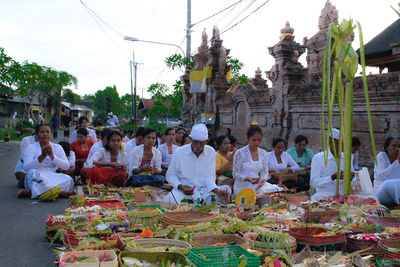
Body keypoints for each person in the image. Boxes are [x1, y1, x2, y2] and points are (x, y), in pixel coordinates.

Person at [166, 124, 231, 204]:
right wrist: (181, 187)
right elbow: (170, 175)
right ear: (190, 139)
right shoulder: (180, 151)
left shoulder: (211, 151)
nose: (198, 146)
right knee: (170, 199)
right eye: (195, 142)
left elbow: (209, 177)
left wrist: (217, 191)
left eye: (201, 143)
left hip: (204, 191)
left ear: (207, 141)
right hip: (183, 192)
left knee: (226, 190)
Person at [17, 124, 75, 199]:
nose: (45, 134)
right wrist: (41, 157)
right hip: (37, 173)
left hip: (52, 174)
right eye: (42, 132)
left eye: (47, 132)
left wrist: (53, 157)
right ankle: (59, 192)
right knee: (32, 174)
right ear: (37, 134)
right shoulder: (31, 148)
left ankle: (33, 193)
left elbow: (66, 166)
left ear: (51, 134)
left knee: (68, 179)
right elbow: (26, 168)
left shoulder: (57, 147)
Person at [232, 124, 282, 196]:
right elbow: (235, 174)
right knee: (255, 195)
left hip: (258, 185)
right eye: (254, 140)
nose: (256, 143)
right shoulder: (240, 153)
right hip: (242, 187)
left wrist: (263, 179)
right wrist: (247, 179)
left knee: (277, 189)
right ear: (248, 139)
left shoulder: (263, 153)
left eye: (259, 140)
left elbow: (264, 171)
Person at [310, 128, 356, 200]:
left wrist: (352, 178)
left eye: (341, 143)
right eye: (337, 143)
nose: (339, 146)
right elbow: (313, 183)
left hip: (343, 197)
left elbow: (354, 183)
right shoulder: (318, 158)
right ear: (329, 142)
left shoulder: (348, 158)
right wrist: (332, 177)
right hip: (324, 196)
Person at [374, 137, 400, 206]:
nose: (397, 149)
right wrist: (397, 161)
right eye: (394, 146)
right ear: (387, 148)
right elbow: (382, 176)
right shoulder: (381, 157)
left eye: (399, 147)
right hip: (381, 192)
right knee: (388, 183)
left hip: (396, 193)